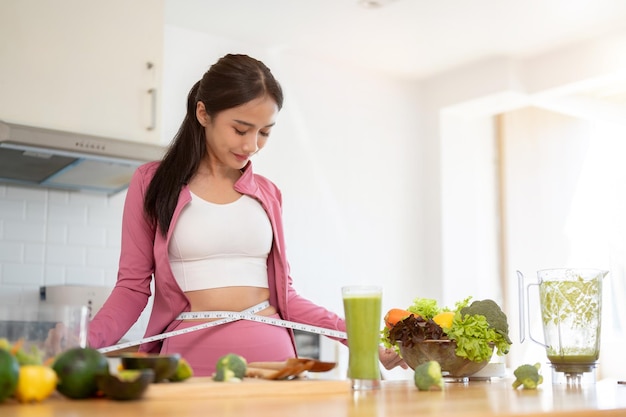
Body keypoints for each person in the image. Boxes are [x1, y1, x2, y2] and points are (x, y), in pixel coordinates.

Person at [87, 53, 405, 376]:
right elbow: (132, 289)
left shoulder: (268, 194)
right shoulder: (152, 183)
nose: (252, 145)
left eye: (264, 132)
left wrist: (365, 341)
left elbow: (287, 297)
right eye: (240, 129)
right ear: (203, 113)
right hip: (188, 360)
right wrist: (82, 342)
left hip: (273, 359)